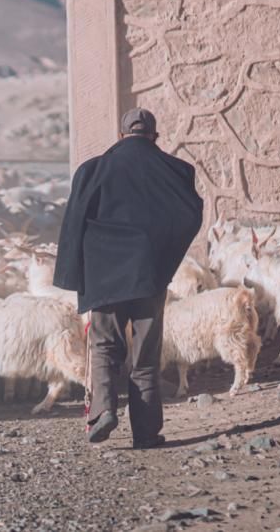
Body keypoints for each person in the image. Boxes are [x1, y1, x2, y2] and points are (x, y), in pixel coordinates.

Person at [52, 108, 203, 449]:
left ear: (120, 136)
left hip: (104, 277)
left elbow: (74, 223)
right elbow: (190, 215)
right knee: (146, 355)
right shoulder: (176, 172)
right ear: (154, 137)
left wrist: (74, 275)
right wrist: (167, 255)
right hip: (150, 275)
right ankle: (147, 434)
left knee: (104, 346)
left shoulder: (93, 170)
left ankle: (103, 411)